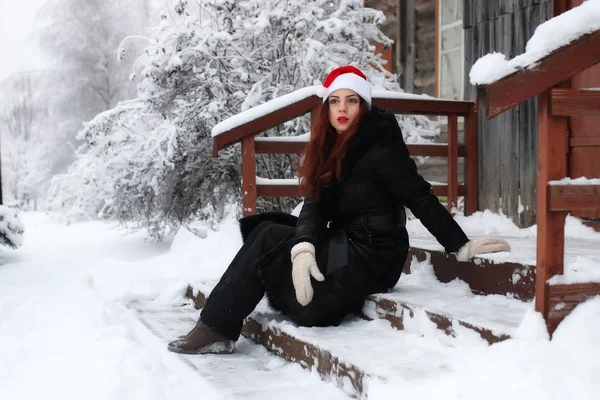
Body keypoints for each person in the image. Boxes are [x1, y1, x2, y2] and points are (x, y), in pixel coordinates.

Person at [167, 65, 511, 355]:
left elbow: (419, 196)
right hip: (347, 242)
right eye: (335, 101)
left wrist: (458, 243)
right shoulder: (331, 147)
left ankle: (217, 327)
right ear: (326, 108)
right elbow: (315, 207)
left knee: (273, 243)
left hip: (377, 252)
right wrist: (303, 249)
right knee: (266, 229)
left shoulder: (380, 146)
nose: (342, 108)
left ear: (363, 104)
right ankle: (218, 327)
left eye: (351, 100)